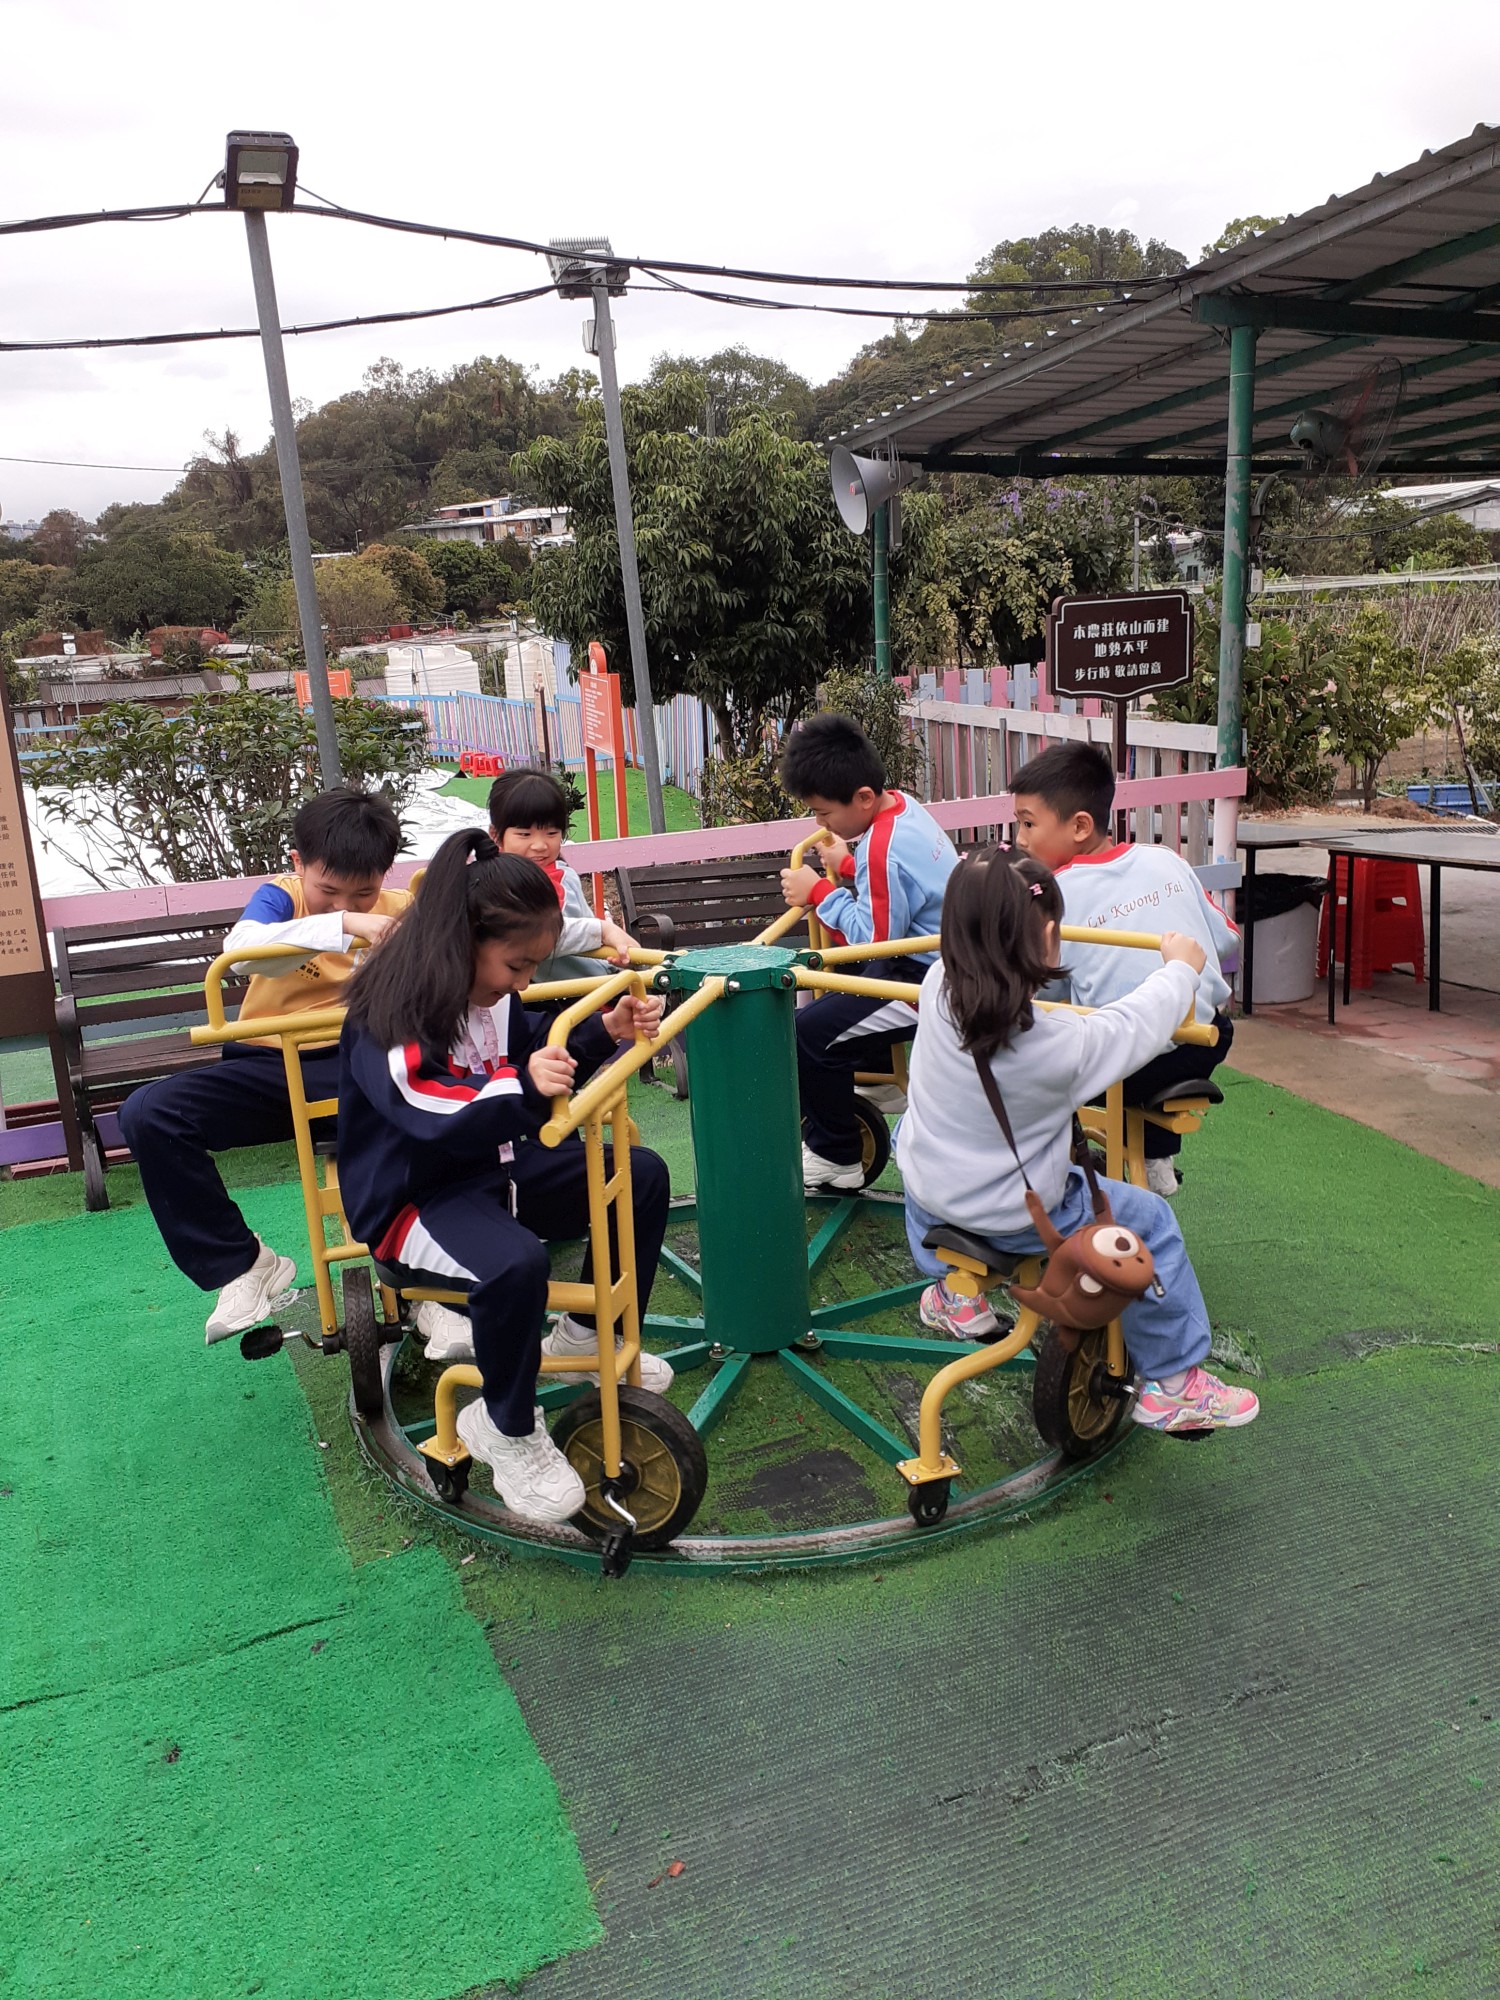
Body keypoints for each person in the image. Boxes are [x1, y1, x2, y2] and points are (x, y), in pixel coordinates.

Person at [337, 830, 673, 1524]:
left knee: (638, 1174)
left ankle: (587, 1337)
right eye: (517, 965)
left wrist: (602, 1030)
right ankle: (503, 1424)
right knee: (514, 1264)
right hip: (413, 1197)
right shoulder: (390, 1006)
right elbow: (422, 1102)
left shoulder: (490, 987)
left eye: (532, 966)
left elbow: (528, 1050)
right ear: (465, 940)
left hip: (494, 1166)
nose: (523, 981)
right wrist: (521, 1084)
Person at [897, 850, 1258, 1432]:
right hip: (1010, 1215)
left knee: (910, 1131)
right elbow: (1134, 1025)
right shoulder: (1058, 1047)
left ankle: (950, 1294)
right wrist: (1179, 970)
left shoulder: (937, 985)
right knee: (1152, 1223)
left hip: (930, 1191)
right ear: (1048, 937)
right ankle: (1173, 1386)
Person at [120, 786, 410, 1344]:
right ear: (298, 864)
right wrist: (348, 923)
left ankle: (434, 1281)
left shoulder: (402, 909)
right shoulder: (281, 896)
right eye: (328, 890)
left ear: (386, 874)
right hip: (272, 1068)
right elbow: (243, 949)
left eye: (364, 893)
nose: (345, 903)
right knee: (149, 1113)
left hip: (365, 1063)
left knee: (452, 1103)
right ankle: (243, 1263)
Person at [1010, 740, 1238, 1198]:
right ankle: (1155, 1154)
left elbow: (1042, 994)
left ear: (1080, 826)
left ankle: (1060, 1171)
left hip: (1126, 1062)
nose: (1020, 839)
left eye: (1028, 823)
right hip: (1204, 1043)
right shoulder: (1166, 859)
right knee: (1177, 1019)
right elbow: (1227, 938)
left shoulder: (1055, 894)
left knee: (1044, 1050)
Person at [778, 712, 958, 1192]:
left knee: (807, 1033)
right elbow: (901, 890)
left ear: (861, 798)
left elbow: (874, 939)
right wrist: (850, 863)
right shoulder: (902, 806)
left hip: (934, 981)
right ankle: (877, 1076)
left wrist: (819, 892)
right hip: (944, 956)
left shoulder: (882, 847)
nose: (819, 824)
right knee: (844, 985)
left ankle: (836, 1155)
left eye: (823, 813)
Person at [486, 766, 633, 987]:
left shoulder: (559, 877)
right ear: (495, 835)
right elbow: (534, 936)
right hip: (555, 994)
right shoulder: (494, 881)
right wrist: (603, 930)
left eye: (551, 833)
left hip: (592, 987)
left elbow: (565, 929)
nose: (540, 845)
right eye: (525, 834)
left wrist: (607, 939)